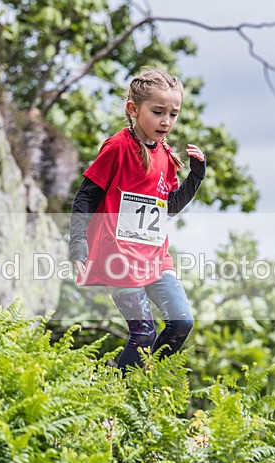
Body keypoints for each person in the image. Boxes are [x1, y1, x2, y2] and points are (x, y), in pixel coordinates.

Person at [69, 67, 206, 371]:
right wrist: (77, 243)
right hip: (118, 257)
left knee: (181, 323)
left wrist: (195, 178)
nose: (166, 121)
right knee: (143, 333)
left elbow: (169, 207)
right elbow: (85, 197)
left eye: (173, 113)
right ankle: (122, 397)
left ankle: (140, 383)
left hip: (155, 256)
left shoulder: (167, 157)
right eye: (158, 112)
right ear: (133, 109)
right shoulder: (117, 147)